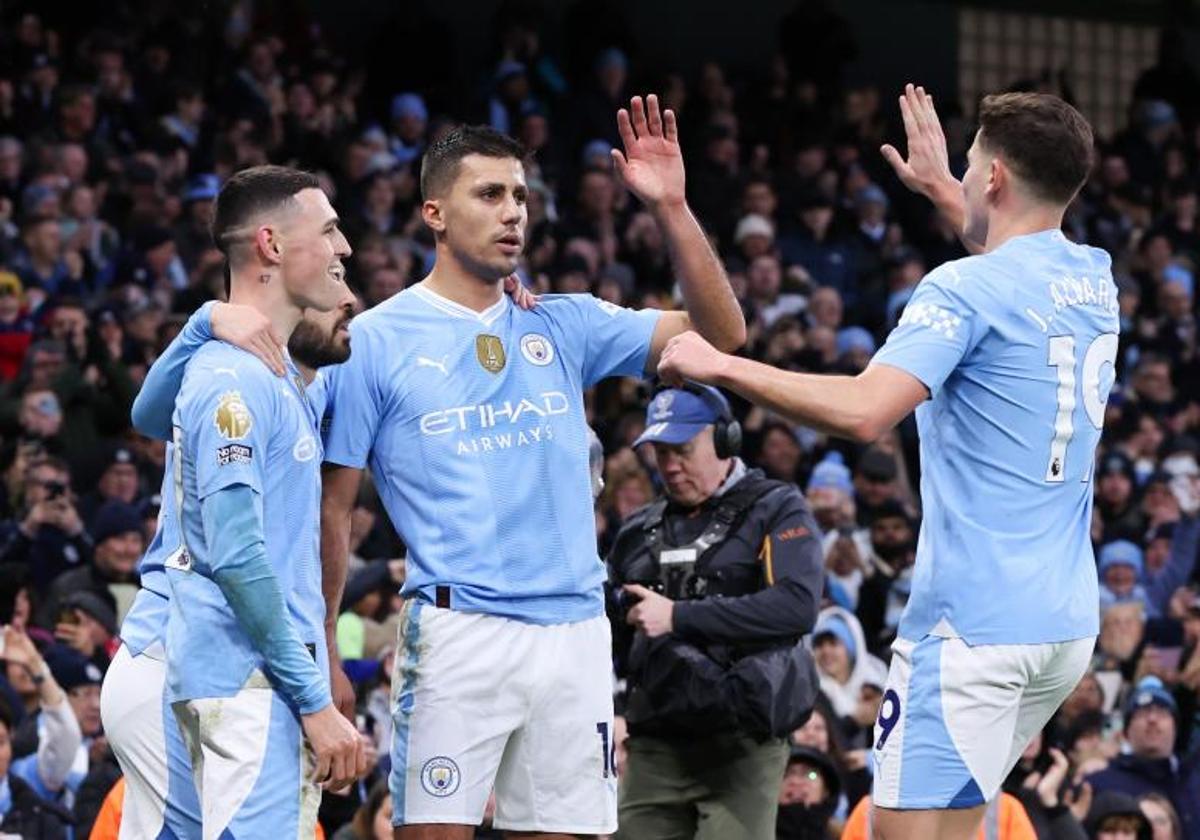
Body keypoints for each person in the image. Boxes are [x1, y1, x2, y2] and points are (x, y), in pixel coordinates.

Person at [656, 85, 1111, 840]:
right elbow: (1010, 276)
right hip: (1060, 626)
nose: (961, 177)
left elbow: (867, 412)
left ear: (994, 179)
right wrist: (941, 188)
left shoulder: (962, 287)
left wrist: (722, 365)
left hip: (969, 629)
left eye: (970, 167)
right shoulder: (1094, 277)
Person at [319, 95, 745, 838]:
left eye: (520, 195)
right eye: (489, 194)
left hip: (576, 632)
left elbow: (722, 335)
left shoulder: (563, 319)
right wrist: (323, 650)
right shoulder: (374, 341)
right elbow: (335, 514)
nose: (513, 211)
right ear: (434, 213)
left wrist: (673, 207)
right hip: (458, 632)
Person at [100, 293, 357, 839]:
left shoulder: (306, 383)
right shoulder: (232, 374)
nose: (349, 303)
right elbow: (237, 560)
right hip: (178, 653)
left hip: (191, 659)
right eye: (330, 287)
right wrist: (202, 320)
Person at [162, 165, 363, 837]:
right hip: (248, 682)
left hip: (246, 681)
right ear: (272, 246)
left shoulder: (281, 378)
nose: (346, 249)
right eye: (330, 231)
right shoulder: (232, 382)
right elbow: (239, 556)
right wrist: (312, 698)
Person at [605, 384, 823, 840]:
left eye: (682, 449)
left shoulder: (777, 507)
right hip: (656, 742)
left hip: (743, 742)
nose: (669, 465)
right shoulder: (636, 530)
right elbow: (611, 632)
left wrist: (679, 617)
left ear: (726, 441)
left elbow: (797, 607)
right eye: (660, 452)